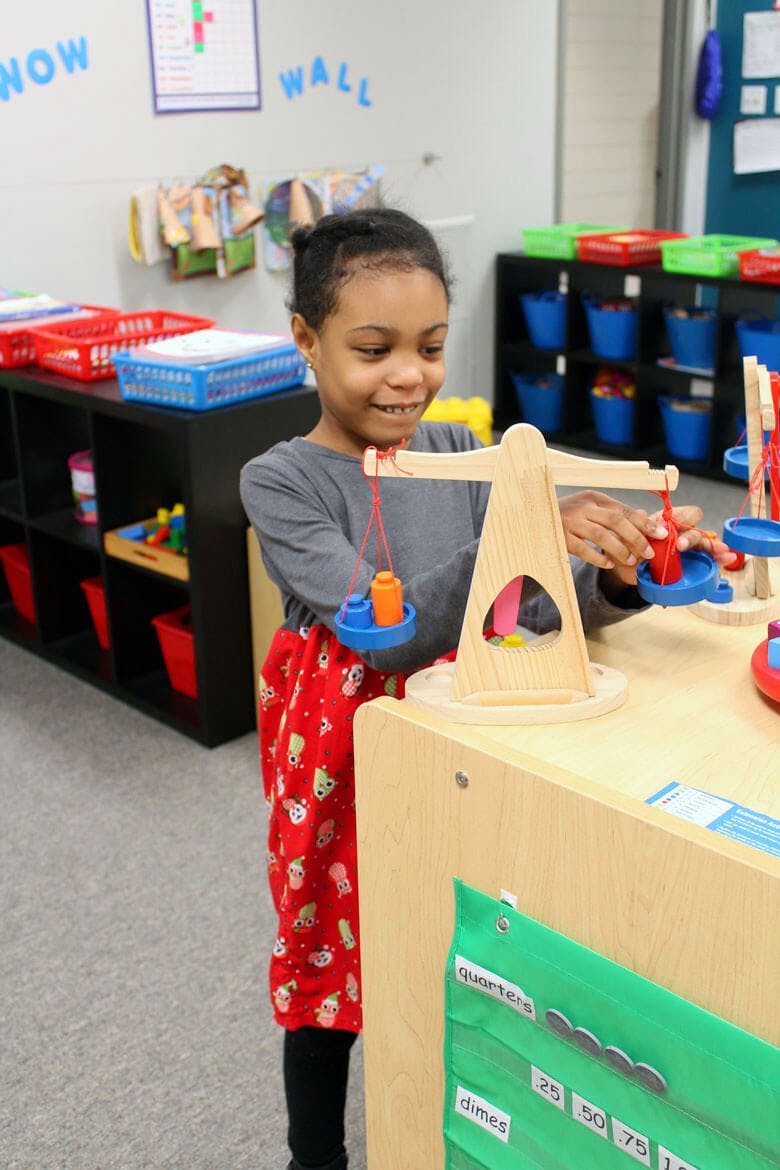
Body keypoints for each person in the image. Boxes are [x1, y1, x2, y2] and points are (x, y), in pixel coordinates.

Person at [239, 208, 733, 1170]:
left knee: (453, 930)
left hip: (469, 738)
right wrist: (515, 525)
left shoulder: (460, 453)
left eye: (429, 347)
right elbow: (385, 636)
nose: (408, 375)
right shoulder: (283, 481)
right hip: (346, 769)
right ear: (306, 338)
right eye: (374, 349)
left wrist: (620, 572)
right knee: (331, 969)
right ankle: (315, 1156)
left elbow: (530, 606)